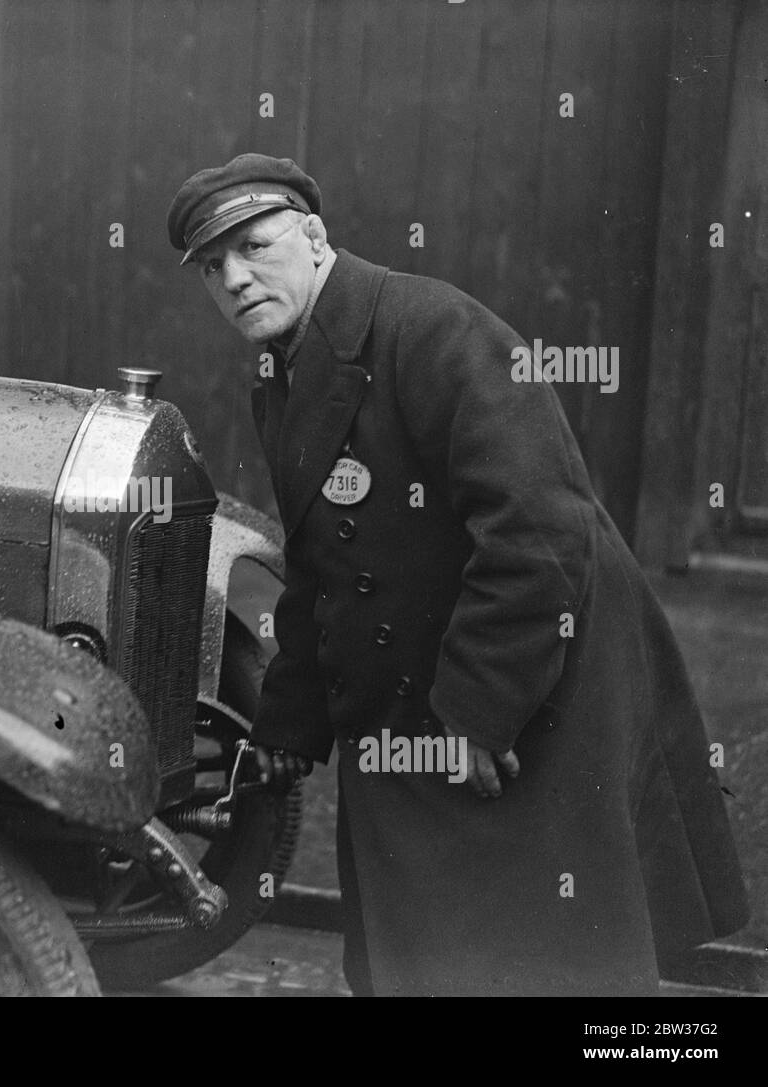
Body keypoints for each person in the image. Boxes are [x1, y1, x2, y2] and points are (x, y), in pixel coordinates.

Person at [167, 153, 748, 996]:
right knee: (421, 949)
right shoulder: (285, 375)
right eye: (213, 267)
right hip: (410, 686)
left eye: (256, 246)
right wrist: (288, 727)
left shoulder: (435, 330)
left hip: (534, 680)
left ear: (316, 237)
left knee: (545, 951)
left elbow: (539, 528)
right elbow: (322, 566)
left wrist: (477, 714)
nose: (236, 278)